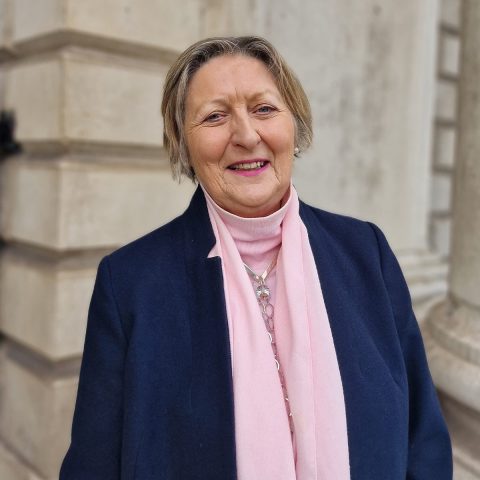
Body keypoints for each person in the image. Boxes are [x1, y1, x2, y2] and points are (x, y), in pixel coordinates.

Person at [59, 36, 452, 480]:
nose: (246, 136)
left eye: (264, 109)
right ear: (183, 144)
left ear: (296, 126)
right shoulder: (130, 283)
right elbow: (94, 463)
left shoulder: (365, 253)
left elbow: (424, 438)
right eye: (215, 116)